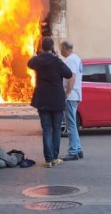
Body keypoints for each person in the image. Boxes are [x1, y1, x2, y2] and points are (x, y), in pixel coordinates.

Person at [28, 37, 72, 168]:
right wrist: (57, 58)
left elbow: (29, 63)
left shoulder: (38, 60)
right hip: (56, 100)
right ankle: (55, 157)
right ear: (52, 47)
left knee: (46, 129)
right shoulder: (56, 61)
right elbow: (68, 74)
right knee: (56, 129)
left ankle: (48, 160)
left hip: (42, 99)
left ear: (42, 47)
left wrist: (38, 55)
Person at [60, 40, 84, 161]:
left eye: (61, 48)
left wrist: (67, 94)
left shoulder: (70, 60)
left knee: (71, 125)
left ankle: (73, 151)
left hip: (71, 96)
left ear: (64, 48)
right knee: (73, 123)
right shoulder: (77, 58)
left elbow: (72, 77)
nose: (60, 50)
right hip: (76, 95)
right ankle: (78, 149)